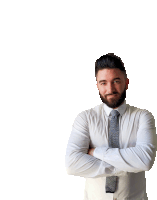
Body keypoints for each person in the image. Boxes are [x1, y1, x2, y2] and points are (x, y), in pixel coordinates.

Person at [65, 53, 157, 200]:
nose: (110, 89)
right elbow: (72, 164)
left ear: (126, 83)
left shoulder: (143, 117)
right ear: (97, 85)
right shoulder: (85, 118)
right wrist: (127, 165)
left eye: (116, 81)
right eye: (103, 83)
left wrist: (96, 152)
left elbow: (145, 160)